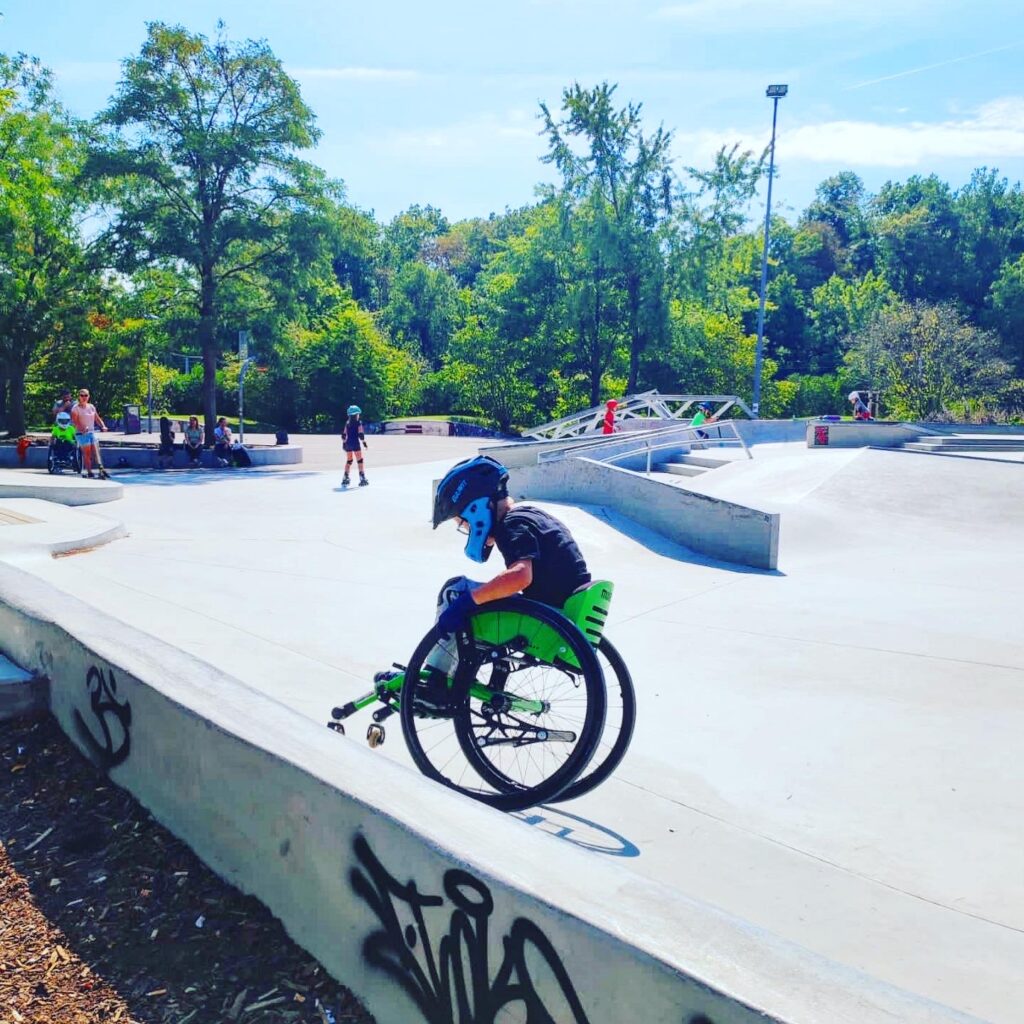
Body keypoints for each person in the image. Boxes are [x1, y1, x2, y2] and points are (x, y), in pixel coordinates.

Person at [429, 455, 592, 635]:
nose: (467, 529)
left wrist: (469, 600)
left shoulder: (511, 525)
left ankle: (436, 663)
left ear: (476, 510)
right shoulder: (529, 516)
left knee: (454, 591)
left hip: (547, 623)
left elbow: (520, 576)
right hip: (562, 616)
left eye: (463, 523)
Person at [70, 388, 108, 479]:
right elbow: (75, 422)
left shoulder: (91, 407)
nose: (84, 397)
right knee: (87, 454)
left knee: (96, 450)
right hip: (81, 434)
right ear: (79, 397)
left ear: (88, 396)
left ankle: (100, 468)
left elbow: (97, 418)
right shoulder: (75, 408)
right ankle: (89, 471)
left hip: (91, 432)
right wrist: (82, 428)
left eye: (85, 395)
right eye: (82, 395)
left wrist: (103, 426)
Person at [341, 404, 368, 487]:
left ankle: (345, 477)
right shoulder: (358, 423)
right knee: (359, 460)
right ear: (356, 414)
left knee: (349, 461)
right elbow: (361, 435)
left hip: (348, 444)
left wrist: (344, 444)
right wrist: (364, 443)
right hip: (356, 444)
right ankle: (362, 477)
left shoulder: (347, 423)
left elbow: (344, 435)